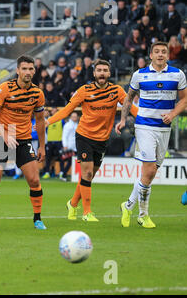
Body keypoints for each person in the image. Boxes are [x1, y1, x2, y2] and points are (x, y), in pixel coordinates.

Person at [46, 59, 138, 222]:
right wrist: (48, 121)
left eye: (105, 70)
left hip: (102, 139)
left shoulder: (116, 91)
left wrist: (148, 120)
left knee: (88, 177)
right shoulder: (84, 90)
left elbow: (130, 107)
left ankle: (72, 204)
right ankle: (87, 212)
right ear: (94, 73)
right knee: (87, 173)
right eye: (99, 70)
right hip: (84, 136)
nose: (102, 73)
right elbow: (67, 109)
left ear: (109, 73)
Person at [116, 42, 186, 228]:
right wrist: (123, 120)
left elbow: (185, 99)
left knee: (151, 173)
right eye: (157, 51)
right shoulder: (139, 75)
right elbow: (129, 98)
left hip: (164, 128)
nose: (160, 54)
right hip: (144, 126)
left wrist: (172, 114)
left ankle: (128, 204)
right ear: (151, 55)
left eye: (164, 52)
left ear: (168, 56)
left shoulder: (177, 74)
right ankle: (143, 215)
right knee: (148, 171)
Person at [0, 55, 46, 230]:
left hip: (24, 138)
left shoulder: (37, 93)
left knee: (34, 179)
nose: (27, 72)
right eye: (24, 68)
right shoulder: (4, 88)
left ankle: (37, 219)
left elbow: (40, 121)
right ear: (17, 70)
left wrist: (41, 146)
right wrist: (5, 134)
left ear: (34, 71)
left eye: (30, 69)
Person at [60, 112, 79, 181]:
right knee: (69, 161)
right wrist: (65, 145)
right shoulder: (67, 125)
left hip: (75, 147)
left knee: (71, 162)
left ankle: (65, 174)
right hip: (69, 147)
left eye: (75, 116)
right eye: (73, 116)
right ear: (70, 117)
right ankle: (63, 174)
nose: (74, 118)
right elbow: (64, 136)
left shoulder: (77, 125)